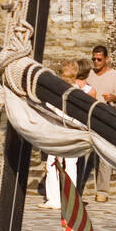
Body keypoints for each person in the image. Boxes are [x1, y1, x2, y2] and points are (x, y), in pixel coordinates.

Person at [86, 45, 116, 201]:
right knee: (83, 154)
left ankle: (102, 192)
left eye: (99, 59)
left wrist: (114, 98)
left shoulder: (115, 76)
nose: (96, 62)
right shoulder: (88, 75)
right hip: (88, 119)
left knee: (104, 156)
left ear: (106, 59)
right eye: (94, 59)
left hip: (107, 120)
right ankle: (78, 188)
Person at [44, 60, 80, 209]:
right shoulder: (79, 93)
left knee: (53, 164)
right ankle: (68, 200)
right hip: (72, 131)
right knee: (69, 165)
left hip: (62, 131)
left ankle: (55, 199)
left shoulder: (61, 92)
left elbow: (50, 108)